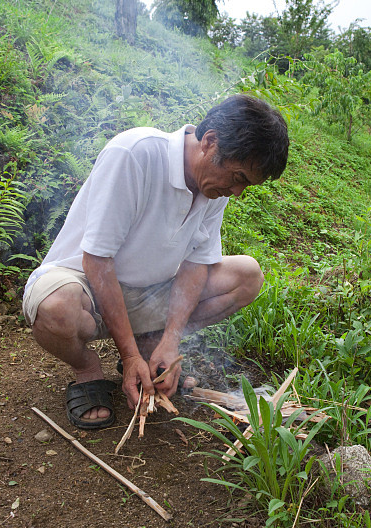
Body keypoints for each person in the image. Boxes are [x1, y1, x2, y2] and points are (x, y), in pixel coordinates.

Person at [21, 94, 289, 429]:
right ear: (210, 142)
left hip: (146, 292)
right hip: (85, 286)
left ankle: (152, 347)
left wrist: (171, 339)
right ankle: (88, 372)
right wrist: (127, 355)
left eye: (247, 184)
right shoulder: (136, 154)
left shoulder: (213, 187)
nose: (238, 192)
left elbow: (197, 264)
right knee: (55, 308)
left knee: (247, 275)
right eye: (238, 178)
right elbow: (98, 261)